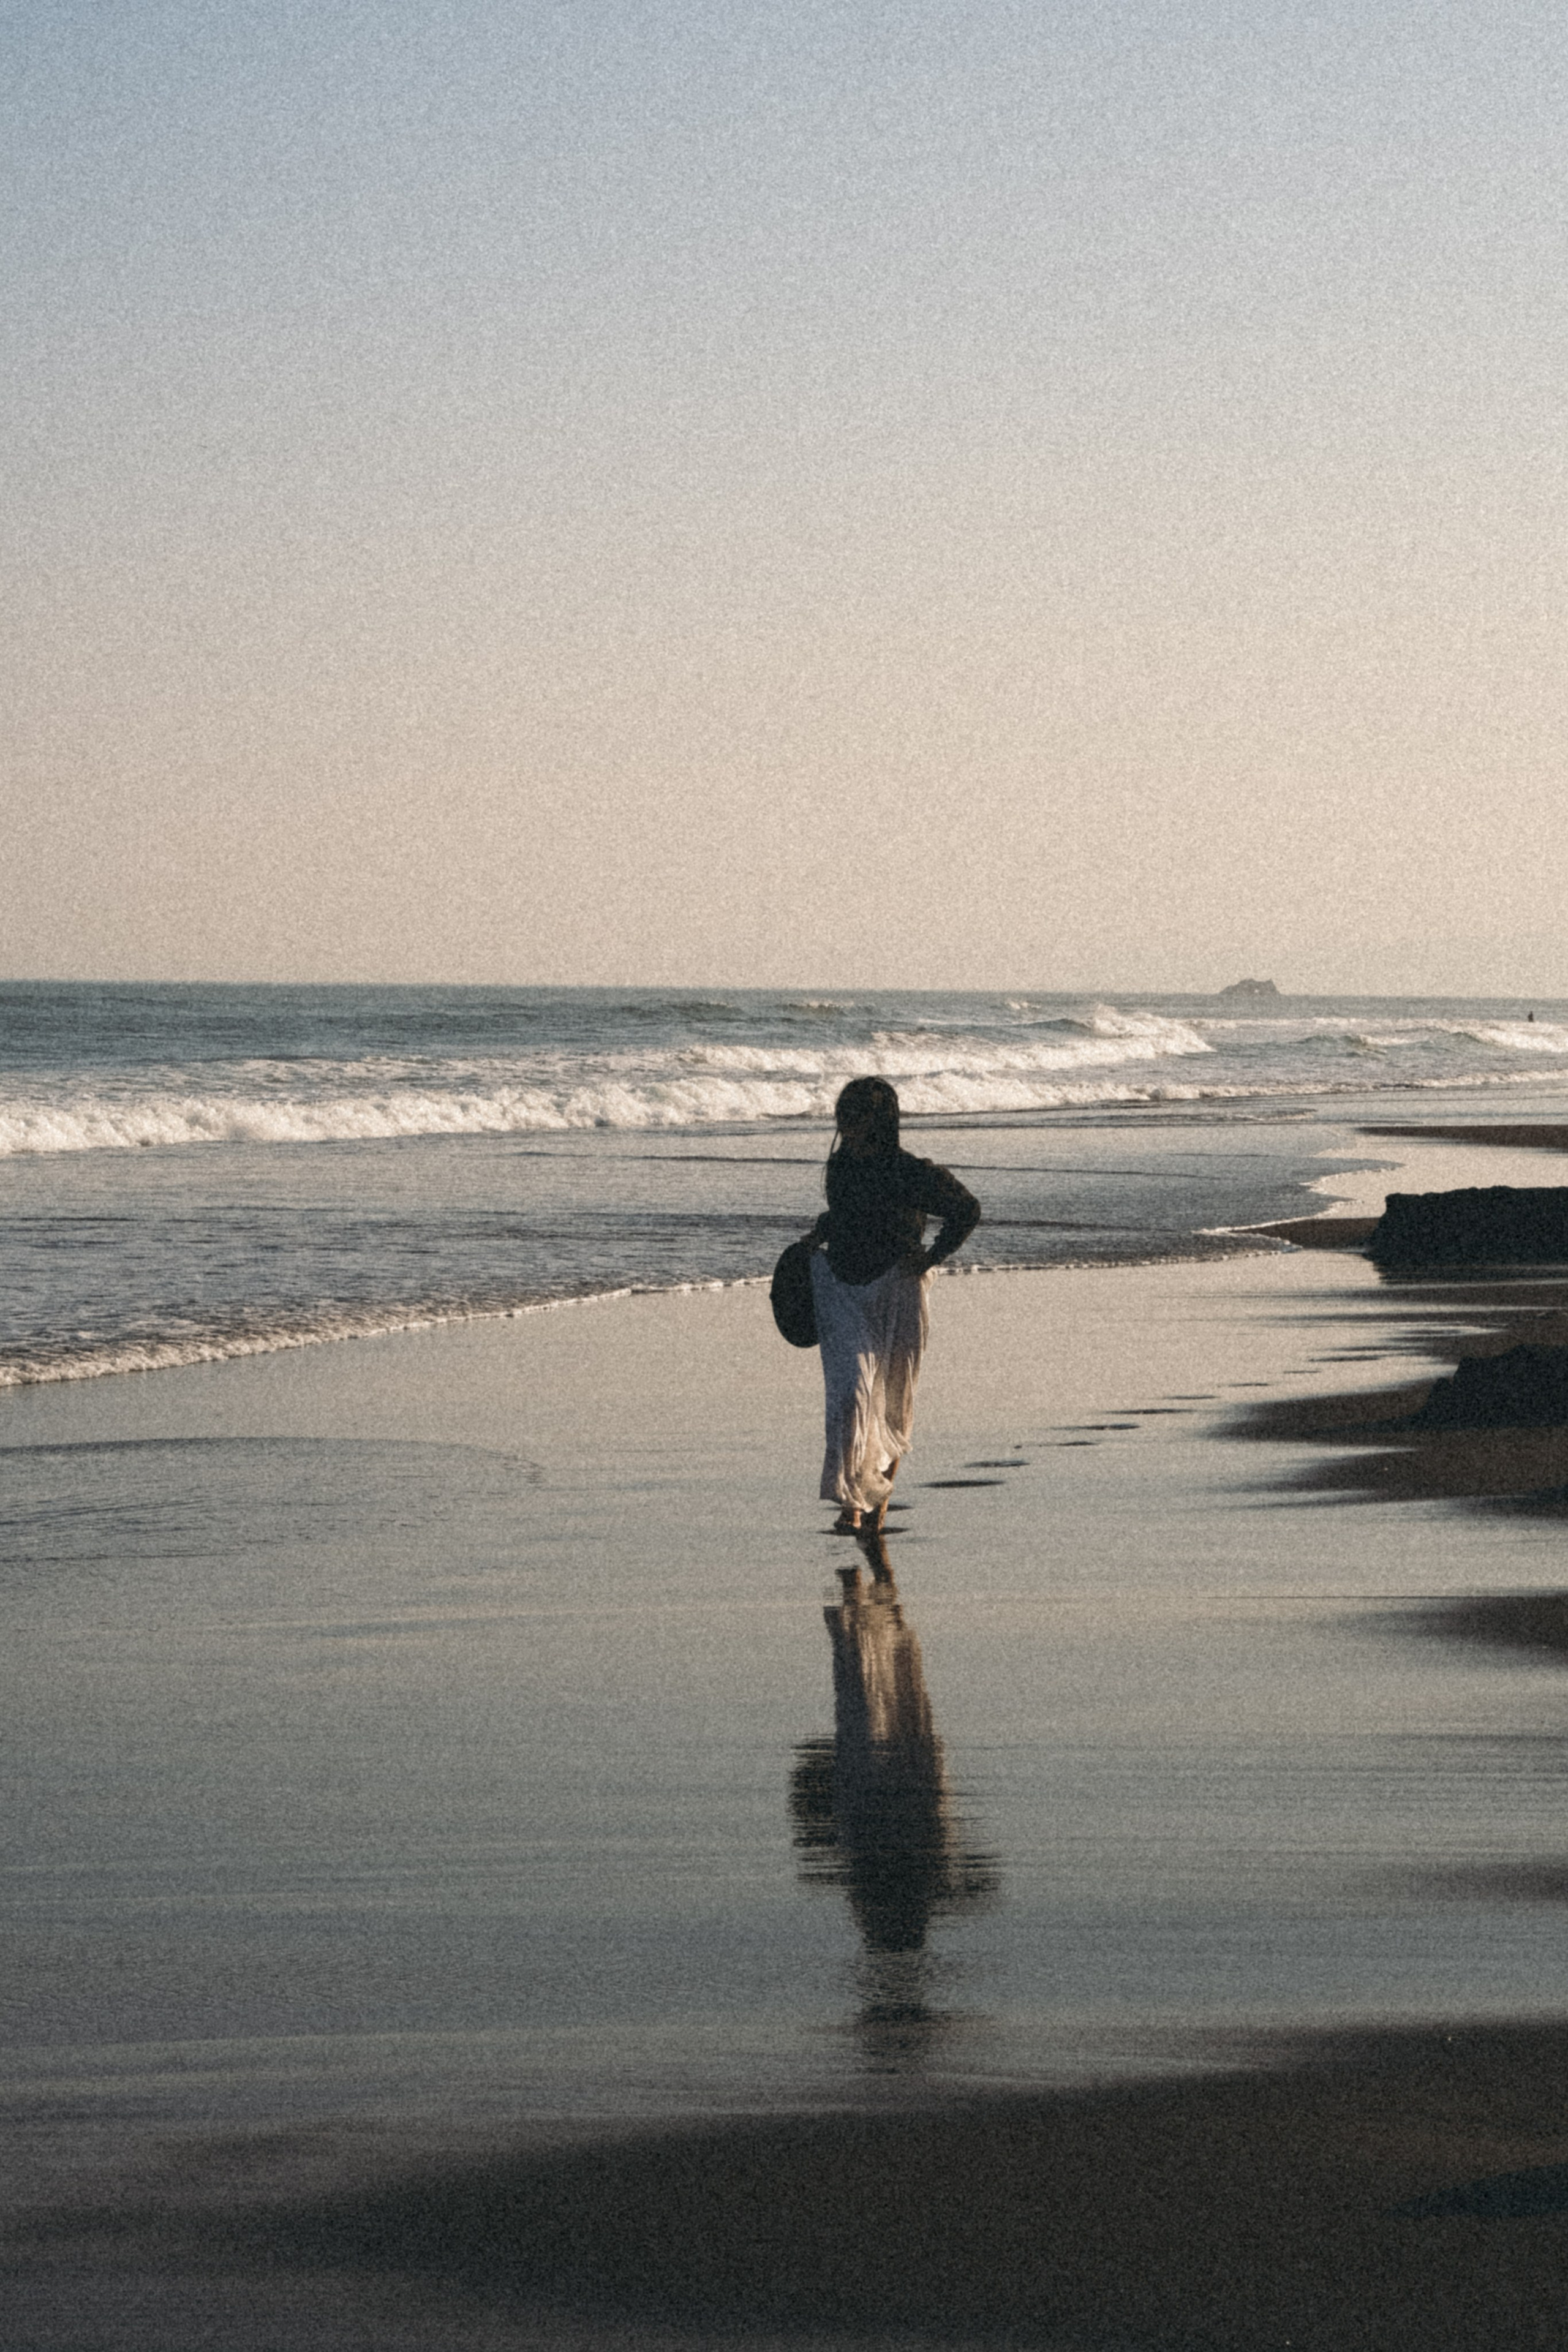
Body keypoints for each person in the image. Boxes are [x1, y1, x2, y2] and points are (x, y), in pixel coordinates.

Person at [800, 1078, 980, 1536]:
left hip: (897, 1289)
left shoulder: (907, 1170)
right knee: (850, 1396)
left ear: (878, 1122)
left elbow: (967, 1208)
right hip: (842, 1285)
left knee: (893, 1401)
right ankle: (853, 1499)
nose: (846, 1125)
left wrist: (932, 1256)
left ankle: (874, 1505)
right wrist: (819, 1234)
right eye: (842, 1115)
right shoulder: (840, 1166)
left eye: (855, 1116)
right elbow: (846, 1215)